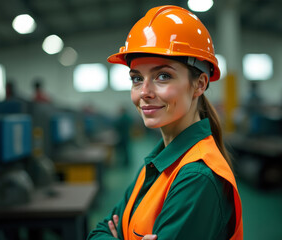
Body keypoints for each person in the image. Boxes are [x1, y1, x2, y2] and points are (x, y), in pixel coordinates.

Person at [88, 5, 243, 240]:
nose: (144, 92)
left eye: (163, 76)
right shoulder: (157, 163)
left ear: (200, 84)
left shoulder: (196, 177)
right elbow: (98, 231)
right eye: (137, 79)